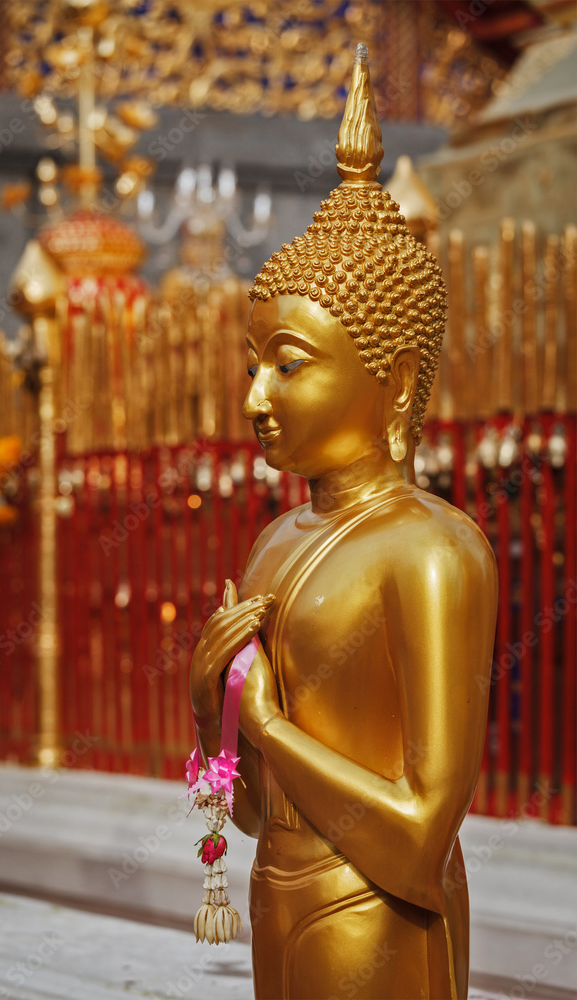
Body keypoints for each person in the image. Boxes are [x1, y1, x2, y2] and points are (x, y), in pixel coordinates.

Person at [189, 45, 497, 1000]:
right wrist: (212, 709)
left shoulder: (433, 552)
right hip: (277, 894)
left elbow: (418, 831)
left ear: (395, 382)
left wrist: (267, 728)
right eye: (253, 362)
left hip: (376, 913)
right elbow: (244, 811)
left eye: (288, 363)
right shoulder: (273, 542)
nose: (254, 395)